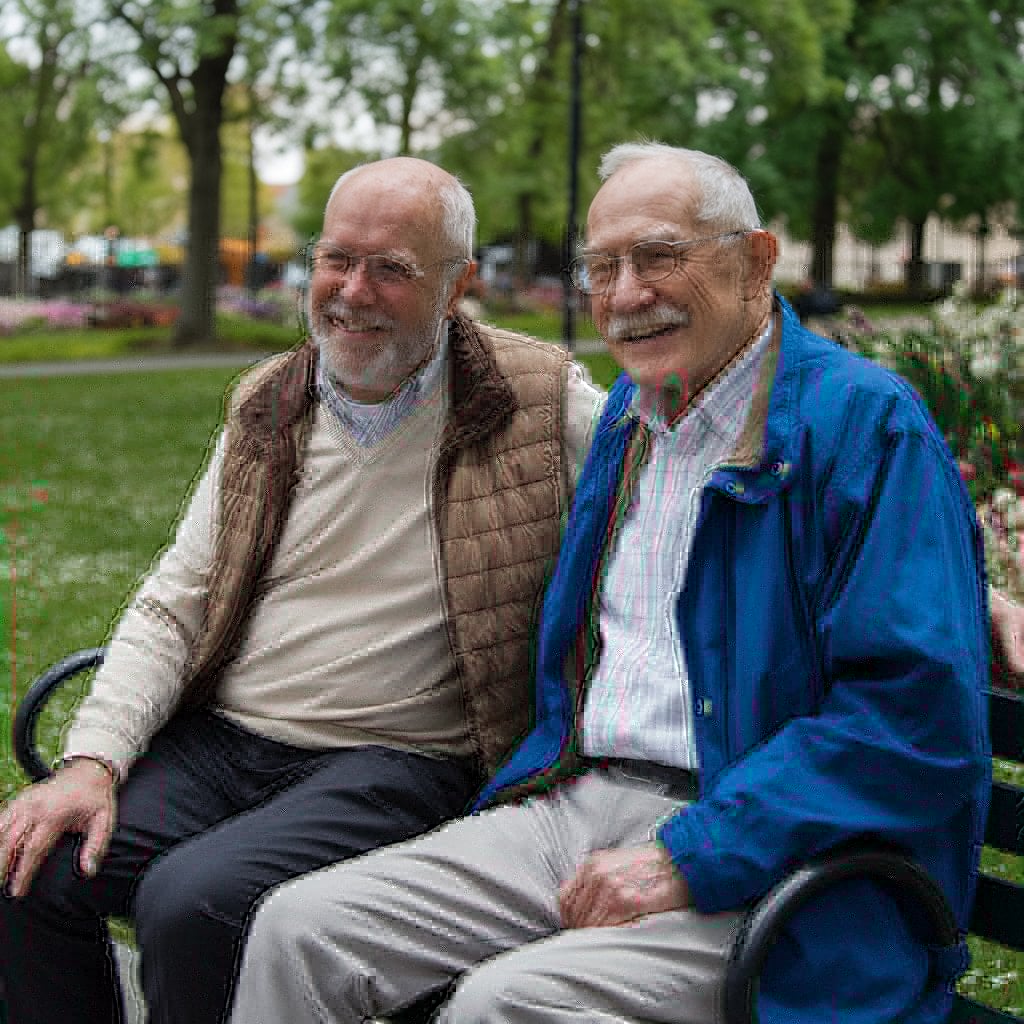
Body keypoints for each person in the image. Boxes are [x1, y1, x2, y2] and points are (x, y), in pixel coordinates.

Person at [230, 142, 991, 1024]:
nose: (627, 294)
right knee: (300, 928)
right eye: (602, 268)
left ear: (754, 261)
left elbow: (916, 716)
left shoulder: (860, 425)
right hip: (578, 802)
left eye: (660, 256)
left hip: (782, 853)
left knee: (504, 1006)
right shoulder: (634, 420)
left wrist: (694, 852)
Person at [0, 157, 603, 1024]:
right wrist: (92, 763)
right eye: (335, 259)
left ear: (458, 283)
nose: (351, 292)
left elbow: (661, 513)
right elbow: (180, 597)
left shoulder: (543, 405)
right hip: (225, 743)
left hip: (397, 761)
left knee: (192, 905)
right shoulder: (270, 403)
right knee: (29, 865)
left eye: (391, 268)